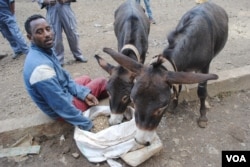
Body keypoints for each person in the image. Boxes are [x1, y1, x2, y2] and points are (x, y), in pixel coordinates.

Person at [23, 14, 108, 131]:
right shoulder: (40, 70)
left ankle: (90, 98)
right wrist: (87, 124)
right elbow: (60, 105)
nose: (47, 34)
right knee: (101, 82)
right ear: (30, 37)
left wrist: (83, 94)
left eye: (48, 29)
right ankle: (95, 105)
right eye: (39, 32)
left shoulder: (44, 50)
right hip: (60, 109)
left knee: (86, 78)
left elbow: (64, 77)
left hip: (61, 92)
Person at [34, 0, 87, 65]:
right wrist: (47, 1)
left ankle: (78, 55)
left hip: (66, 10)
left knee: (73, 34)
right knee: (55, 37)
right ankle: (59, 59)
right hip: (52, 11)